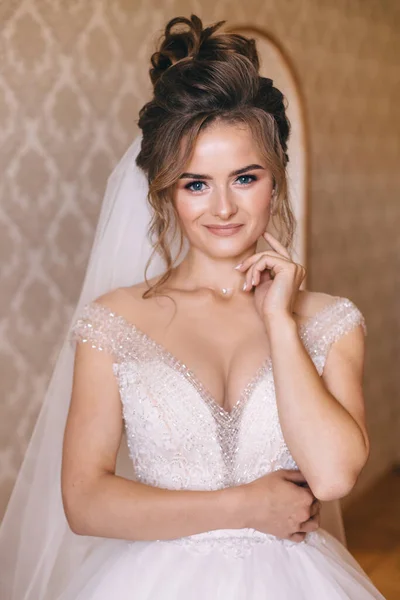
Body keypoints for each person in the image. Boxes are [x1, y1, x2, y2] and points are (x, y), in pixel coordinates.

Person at [0, 14, 386, 600]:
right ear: (165, 192)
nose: (224, 207)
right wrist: (245, 506)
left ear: (276, 181)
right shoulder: (115, 322)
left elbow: (333, 475)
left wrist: (280, 322)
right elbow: (84, 502)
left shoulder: (329, 322)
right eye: (196, 183)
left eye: (246, 177)